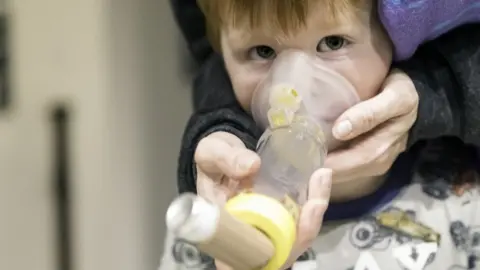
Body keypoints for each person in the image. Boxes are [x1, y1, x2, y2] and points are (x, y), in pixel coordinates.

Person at [159, 0, 480, 269]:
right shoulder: (218, 218)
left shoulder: (460, 193)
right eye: (262, 51)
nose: (295, 90)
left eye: (333, 43)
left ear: (398, 45)